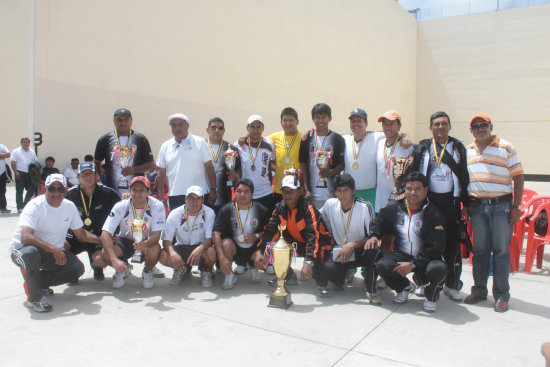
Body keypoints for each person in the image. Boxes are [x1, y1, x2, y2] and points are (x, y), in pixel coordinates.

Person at [9, 174, 101, 312]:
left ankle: (34, 282)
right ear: (44, 189)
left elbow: (81, 234)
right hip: (22, 250)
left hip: (49, 252)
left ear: (66, 191)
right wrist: (55, 249)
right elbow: (26, 237)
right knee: (30, 253)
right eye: (52, 189)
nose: (56, 193)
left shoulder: (69, 207)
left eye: (60, 189)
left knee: (76, 269)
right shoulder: (35, 205)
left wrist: (102, 239)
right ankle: (35, 299)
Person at [463, 112, 524, 313]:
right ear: (471, 130)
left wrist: (517, 207)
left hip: (501, 207)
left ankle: (501, 295)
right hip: (477, 208)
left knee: (501, 252)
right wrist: (465, 206)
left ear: (491, 126)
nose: (480, 129)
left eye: (484, 125)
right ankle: (479, 291)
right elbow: (465, 181)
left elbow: (518, 178)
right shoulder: (468, 150)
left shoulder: (505, 147)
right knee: (479, 252)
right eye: (476, 126)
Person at [406, 111, 469, 302]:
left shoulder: (457, 147)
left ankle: (452, 284)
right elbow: (413, 172)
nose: (440, 127)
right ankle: (421, 281)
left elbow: (465, 176)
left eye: (443, 123)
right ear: (430, 127)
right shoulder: (424, 147)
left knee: (452, 246)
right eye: (436, 124)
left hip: (451, 203)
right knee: (424, 243)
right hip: (428, 203)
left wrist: (465, 203)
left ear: (449, 126)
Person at [366, 172, 447, 312]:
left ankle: (431, 296)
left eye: (417, 189)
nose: (413, 192)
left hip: (427, 258)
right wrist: (374, 235)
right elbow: (379, 221)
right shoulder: (395, 207)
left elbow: (436, 247)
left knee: (439, 269)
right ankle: (404, 287)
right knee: (382, 265)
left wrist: (413, 264)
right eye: (409, 188)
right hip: (403, 254)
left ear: (426, 190)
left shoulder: (434, 214)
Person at [256, 175, 335, 297]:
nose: (287, 195)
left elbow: (314, 237)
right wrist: (261, 251)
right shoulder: (279, 208)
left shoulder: (308, 208)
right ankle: (286, 276)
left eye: (291, 191)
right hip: (297, 243)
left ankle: (322, 282)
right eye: (284, 191)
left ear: (299, 192)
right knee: (274, 247)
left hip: (320, 244)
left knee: (319, 254)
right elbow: (270, 231)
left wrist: (309, 262)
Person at [319, 174, 380, 301]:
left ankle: (371, 289)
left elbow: (372, 236)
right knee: (326, 269)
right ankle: (344, 275)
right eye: (339, 191)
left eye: (346, 190)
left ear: (353, 191)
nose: (342, 195)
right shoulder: (330, 204)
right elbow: (315, 216)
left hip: (360, 250)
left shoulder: (364, 206)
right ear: (335, 192)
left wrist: (352, 245)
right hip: (340, 251)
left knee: (373, 249)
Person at [98, 176, 166, 289]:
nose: (137, 193)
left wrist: (145, 244)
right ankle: (122, 269)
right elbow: (105, 234)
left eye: (142, 190)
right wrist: (114, 260)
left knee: (154, 249)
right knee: (105, 252)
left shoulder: (157, 206)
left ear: (148, 192)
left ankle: (147, 271)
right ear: (130, 190)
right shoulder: (121, 206)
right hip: (125, 240)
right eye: (134, 190)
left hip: (145, 240)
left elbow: (156, 235)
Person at [65, 162, 121, 282]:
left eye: (90, 173)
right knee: (61, 246)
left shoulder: (109, 193)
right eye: (83, 174)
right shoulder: (70, 195)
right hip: (76, 236)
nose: (87, 177)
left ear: (96, 175)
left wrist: (112, 235)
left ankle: (97, 267)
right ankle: (71, 271)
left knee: (100, 260)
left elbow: (122, 212)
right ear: (78, 177)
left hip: (98, 236)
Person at [212, 179, 269, 290]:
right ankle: (229, 275)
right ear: (234, 192)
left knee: (272, 246)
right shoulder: (226, 209)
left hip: (253, 249)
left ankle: (254, 267)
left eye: (246, 191)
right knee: (226, 243)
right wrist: (222, 257)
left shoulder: (261, 209)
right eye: (239, 191)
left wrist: (256, 237)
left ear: (252, 194)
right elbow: (215, 233)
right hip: (234, 249)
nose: (242, 194)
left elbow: (270, 232)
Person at [156, 113, 217, 211]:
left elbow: (209, 167)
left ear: (187, 126)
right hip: (175, 195)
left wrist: (213, 189)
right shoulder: (165, 146)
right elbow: (161, 172)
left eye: (180, 124)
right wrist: (159, 195)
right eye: (174, 125)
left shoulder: (199, 142)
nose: (177, 128)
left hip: (198, 195)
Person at [159, 186, 216, 287]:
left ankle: (206, 271)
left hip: (201, 247)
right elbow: (166, 239)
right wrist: (172, 254)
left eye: (198, 198)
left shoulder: (209, 212)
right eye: (191, 198)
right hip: (181, 247)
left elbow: (209, 239)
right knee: (163, 255)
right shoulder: (175, 213)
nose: (195, 202)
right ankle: (181, 269)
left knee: (211, 252)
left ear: (203, 200)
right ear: (185, 199)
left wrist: (200, 249)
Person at [94, 108, 156, 195]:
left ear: (131, 121)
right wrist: (99, 182)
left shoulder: (140, 139)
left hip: (136, 194)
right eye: (119, 119)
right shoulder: (105, 139)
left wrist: (133, 170)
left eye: (126, 119)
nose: (123, 122)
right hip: (112, 192)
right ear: (114, 121)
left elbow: (151, 166)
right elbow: (96, 163)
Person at [300, 103, 345, 209]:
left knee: (330, 225)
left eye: (324, 117)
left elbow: (342, 164)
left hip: (333, 196)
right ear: (313, 119)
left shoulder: (337, 139)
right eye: (317, 117)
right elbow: (303, 165)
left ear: (330, 118)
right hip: (312, 196)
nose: (320, 120)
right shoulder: (307, 139)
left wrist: (331, 173)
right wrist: (306, 190)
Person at [375, 110, 415, 213]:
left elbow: (415, 173)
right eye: (385, 124)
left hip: (400, 200)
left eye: (392, 124)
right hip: (380, 201)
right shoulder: (380, 142)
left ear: (399, 125)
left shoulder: (408, 146)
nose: (388, 127)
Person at [235, 115, 275, 211]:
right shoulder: (238, 144)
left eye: (258, 127)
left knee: (266, 224)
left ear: (263, 128)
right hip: (246, 194)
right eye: (252, 127)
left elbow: (273, 163)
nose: (255, 130)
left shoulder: (270, 144)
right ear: (247, 128)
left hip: (265, 192)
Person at [266, 107, 303, 205]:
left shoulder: (303, 138)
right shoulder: (275, 137)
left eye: (291, 120)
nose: (288, 123)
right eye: (285, 120)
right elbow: (258, 140)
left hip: (297, 190)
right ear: (281, 122)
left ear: (297, 121)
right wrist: (245, 137)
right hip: (280, 190)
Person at [204, 117, 241, 214]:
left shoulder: (231, 148)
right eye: (213, 127)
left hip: (224, 197)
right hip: (202, 198)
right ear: (207, 130)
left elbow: (238, 171)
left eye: (220, 128)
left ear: (224, 131)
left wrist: (236, 175)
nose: (217, 130)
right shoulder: (201, 146)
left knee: (221, 228)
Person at [11, 137, 38, 213]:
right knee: (19, 191)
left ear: (29, 143)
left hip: (29, 174)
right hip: (20, 173)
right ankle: (19, 207)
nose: (26, 144)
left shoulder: (32, 152)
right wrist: (16, 172)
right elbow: (13, 163)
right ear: (21, 143)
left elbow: (35, 162)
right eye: (24, 142)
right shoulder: (16, 151)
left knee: (31, 189)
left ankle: (25, 204)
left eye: (27, 142)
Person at [0, 143, 11, 213]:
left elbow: (8, 154)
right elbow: (5, 155)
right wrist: (2, 155)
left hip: (2, 173)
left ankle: (3, 207)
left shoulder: (2, 146)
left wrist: (3, 155)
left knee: (2, 190)